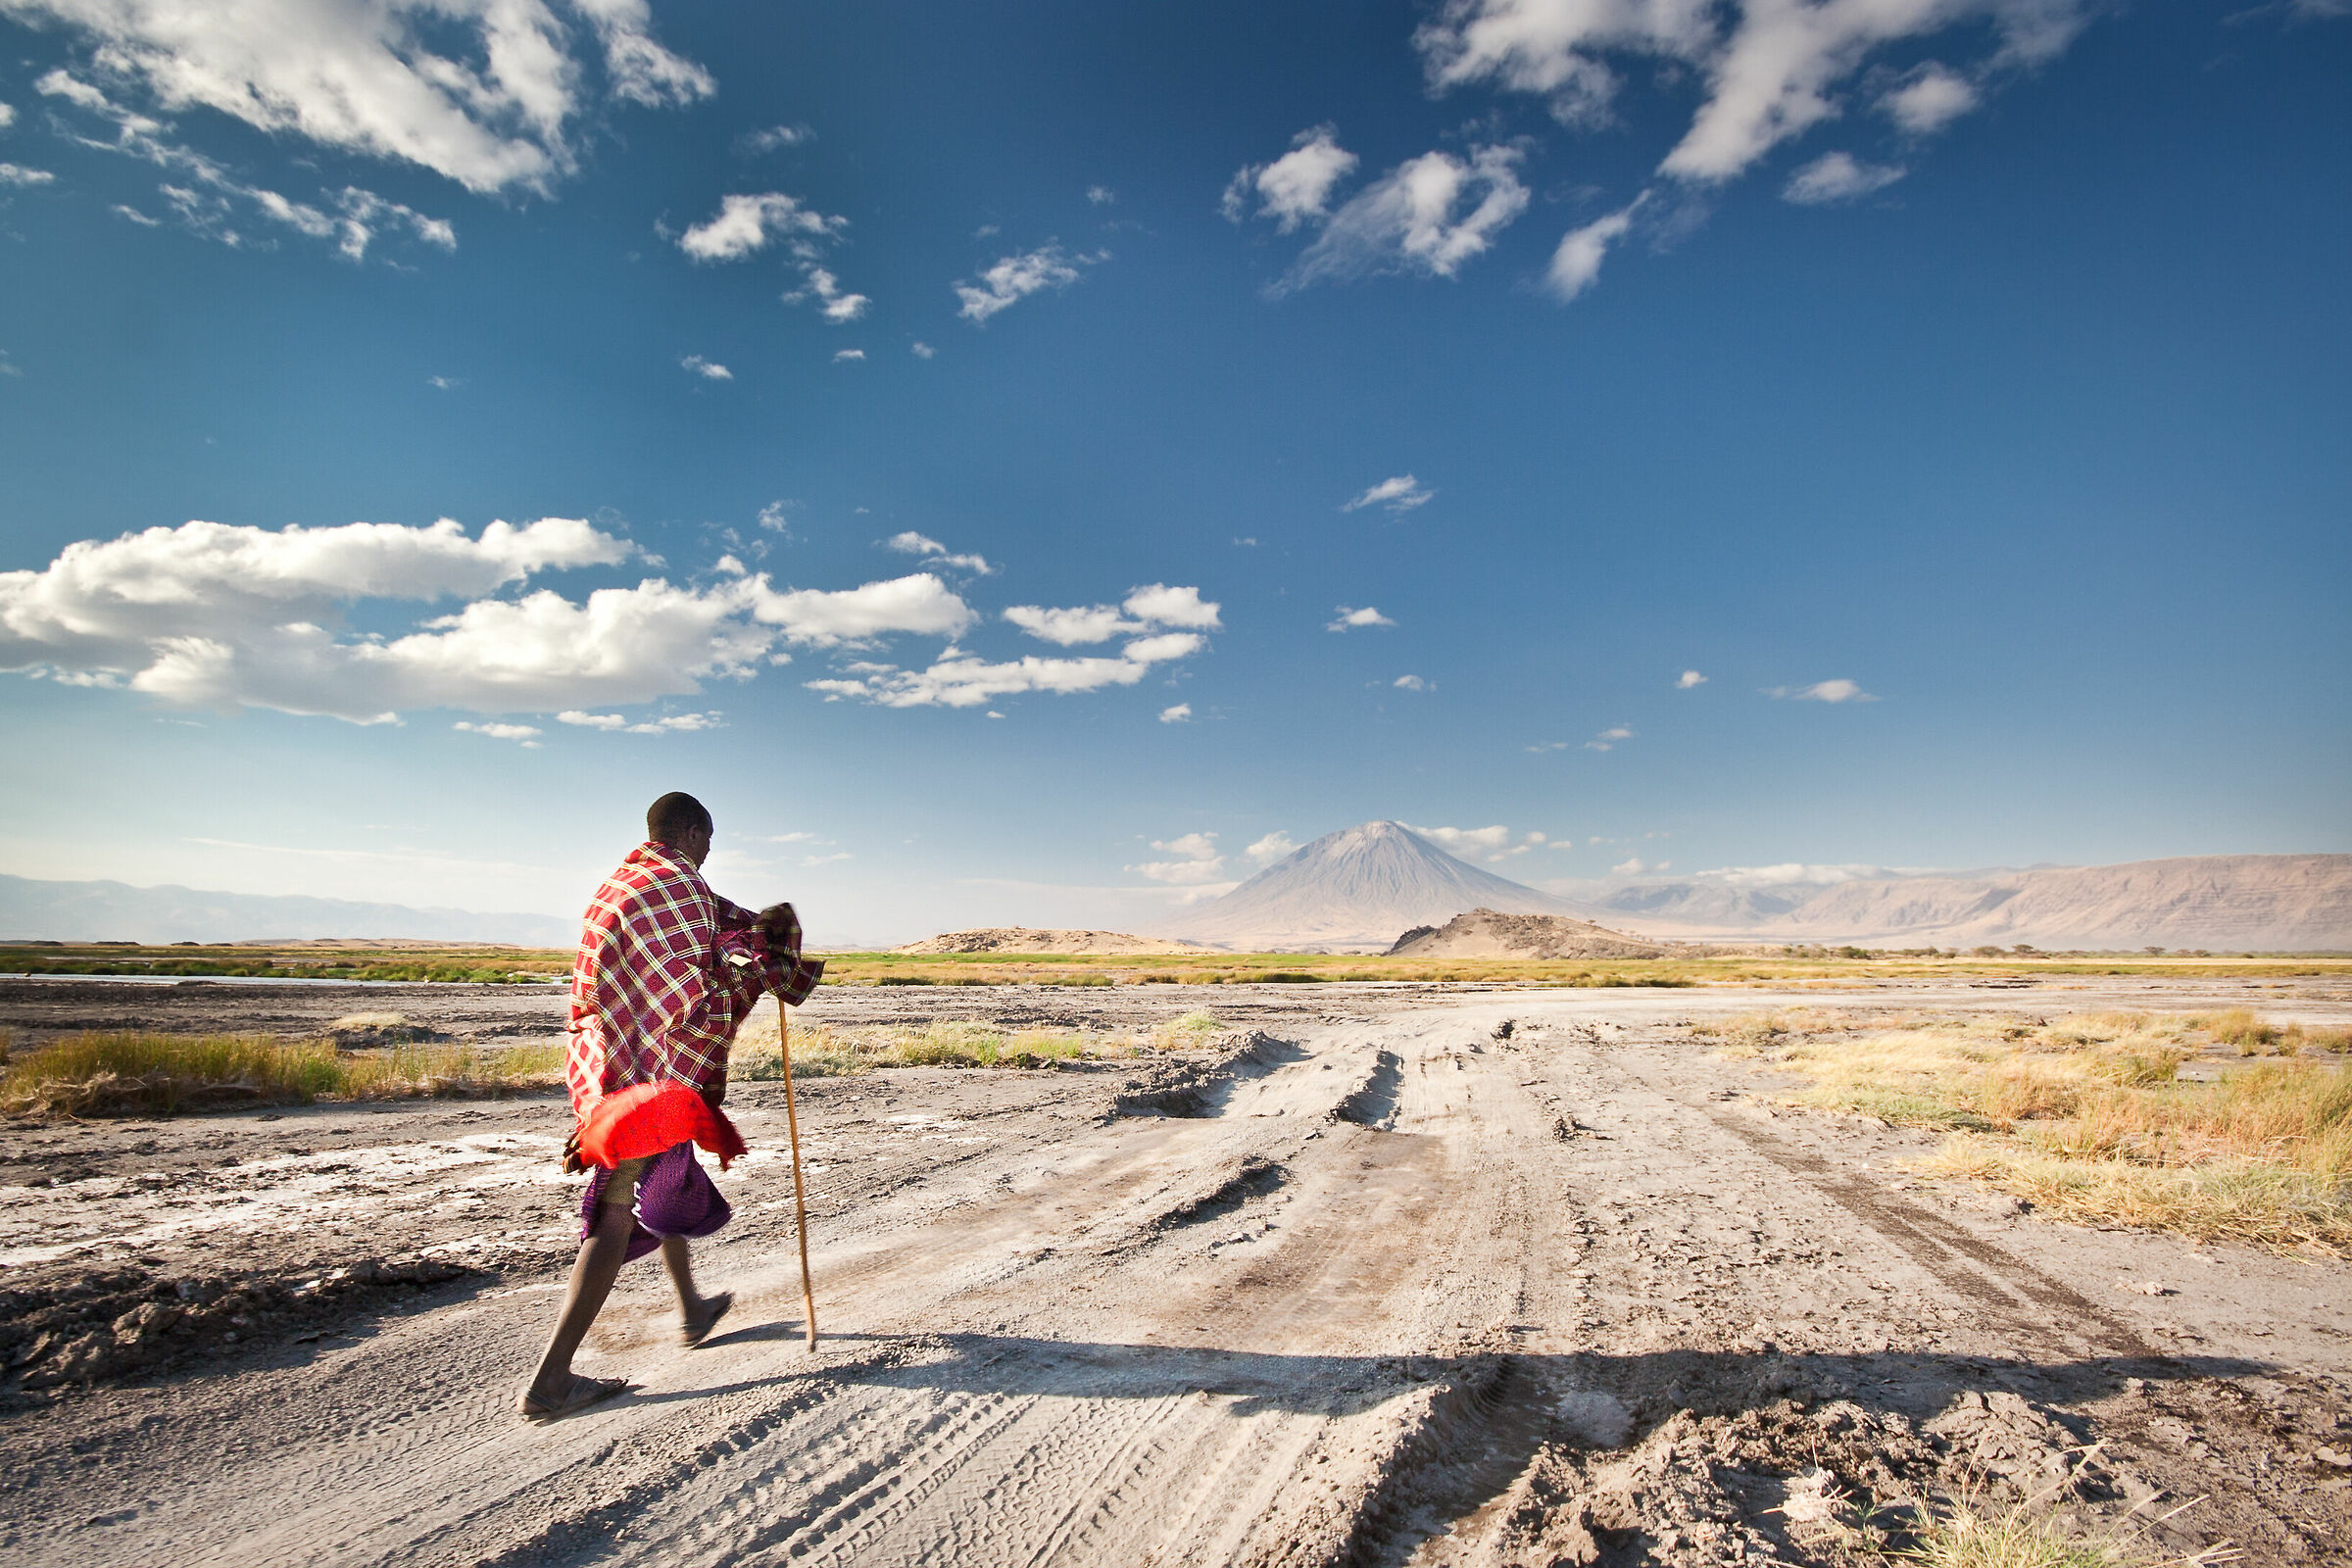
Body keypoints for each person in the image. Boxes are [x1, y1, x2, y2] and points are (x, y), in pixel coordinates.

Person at [518, 791, 824, 1420]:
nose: (710, 853)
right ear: (689, 832)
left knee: (665, 1180)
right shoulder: (678, 888)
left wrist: (763, 942)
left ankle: (692, 1307)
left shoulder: (624, 883)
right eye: (708, 841)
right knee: (616, 1214)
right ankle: (550, 1380)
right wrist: (756, 977)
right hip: (644, 1080)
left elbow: (724, 926)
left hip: (605, 1068)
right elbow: (690, 993)